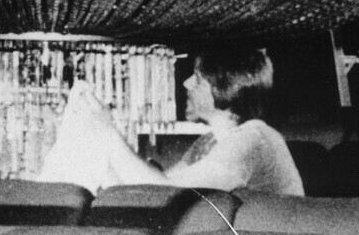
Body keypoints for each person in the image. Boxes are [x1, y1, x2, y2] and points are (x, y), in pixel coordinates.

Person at [39, 43, 304, 196]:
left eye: (198, 79)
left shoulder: (254, 139)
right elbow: (154, 183)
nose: (187, 84)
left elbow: (168, 194)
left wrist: (108, 133)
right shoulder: (209, 142)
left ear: (224, 86)